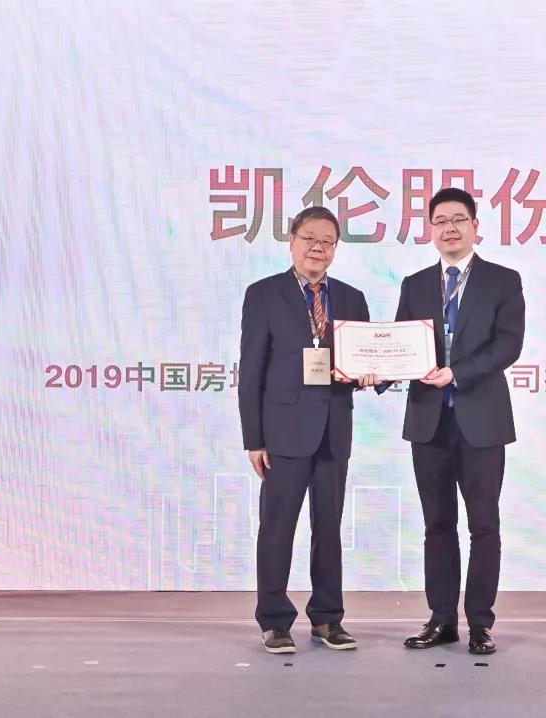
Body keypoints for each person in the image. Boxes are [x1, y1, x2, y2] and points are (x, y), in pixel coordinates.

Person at [391, 187, 525, 655]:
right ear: (430, 229)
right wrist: (374, 372)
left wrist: (458, 372)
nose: (449, 228)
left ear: (474, 227)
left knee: (484, 525)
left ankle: (481, 624)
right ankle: (442, 619)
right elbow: (400, 345)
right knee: (437, 525)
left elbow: (508, 344)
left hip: (482, 421)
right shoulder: (414, 284)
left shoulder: (502, 281)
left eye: (458, 220)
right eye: (440, 221)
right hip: (429, 422)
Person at [238, 206, 377, 654]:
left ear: (336, 248)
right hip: (282, 432)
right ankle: (274, 620)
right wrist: (254, 439)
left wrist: (372, 375)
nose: (318, 248)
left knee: (329, 529)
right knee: (277, 527)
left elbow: (364, 359)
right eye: (310, 239)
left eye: (327, 241)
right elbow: (251, 371)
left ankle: (327, 618)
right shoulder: (264, 294)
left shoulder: (352, 298)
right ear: (292, 242)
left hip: (334, 430)